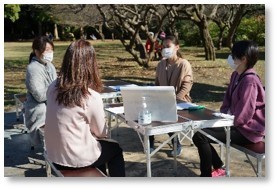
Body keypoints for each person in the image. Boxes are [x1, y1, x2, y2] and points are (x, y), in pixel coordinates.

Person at [44, 39, 125, 177]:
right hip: (77, 158)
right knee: (115, 150)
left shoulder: (53, 87)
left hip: (54, 154)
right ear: (90, 64)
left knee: (99, 150)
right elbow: (102, 133)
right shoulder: (90, 96)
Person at [192, 40, 265, 177]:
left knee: (201, 136)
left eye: (233, 56)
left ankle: (206, 176)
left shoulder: (250, 81)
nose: (230, 58)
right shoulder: (236, 75)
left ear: (243, 59)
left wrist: (226, 123)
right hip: (233, 123)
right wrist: (223, 116)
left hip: (248, 131)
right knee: (199, 133)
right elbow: (227, 101)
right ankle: (219, 167)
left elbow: (245, 114)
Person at [150, 35, 193, 155]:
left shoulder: (184, 64)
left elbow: (186, 85)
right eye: (163, 47)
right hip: (162, 101)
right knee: (148, 111)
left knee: (167, 113)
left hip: (181, 102)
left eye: (168, 46)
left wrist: (175, 100)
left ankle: (176, 143)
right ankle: (149, 141)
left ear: (177, 47)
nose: (165, 49)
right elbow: (157, 84)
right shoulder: (160, 64)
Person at [25, 36, 57, 148]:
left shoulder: (50, 66)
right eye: (46, 50)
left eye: (51, 50)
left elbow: (55, 85)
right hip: (39, 110)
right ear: (37, 51)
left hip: (53, 104)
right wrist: (57, 91)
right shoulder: (32, 69)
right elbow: (39, 96)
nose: (50, 53)